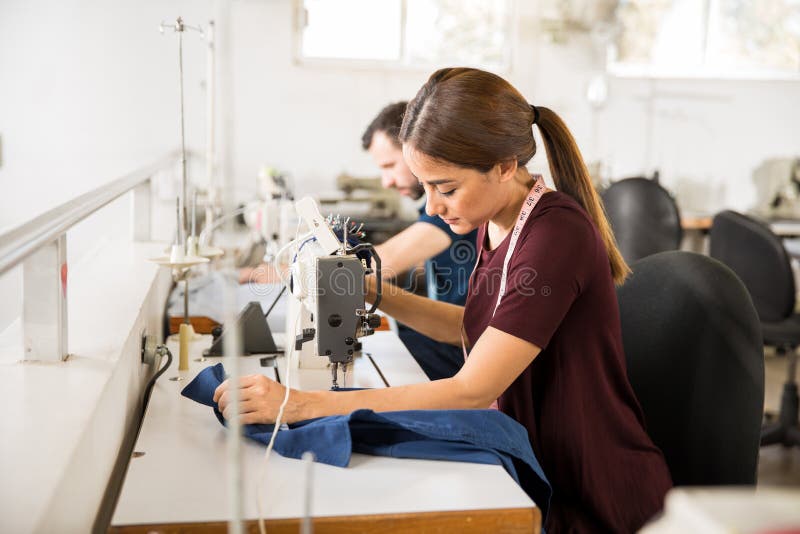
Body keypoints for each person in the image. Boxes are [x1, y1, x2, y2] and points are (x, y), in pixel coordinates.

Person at [214, 68, 672, 532]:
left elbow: (473, 388)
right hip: (534, 461)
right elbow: (475, 329)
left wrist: (302, 405)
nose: (432, 206)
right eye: (426, 186)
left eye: (446, 188)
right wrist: (372, 290)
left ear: (505, 166)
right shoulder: (496, 222)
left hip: (589, 489)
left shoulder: (555, 233)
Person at [362, 102, 477, 380]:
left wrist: (292, 271)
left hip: (463, 347)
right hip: (452, 333)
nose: (386, 182)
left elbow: (380, 263)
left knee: (370, 357)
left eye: (390, 166)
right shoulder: (438, 208)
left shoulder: (452, 209)